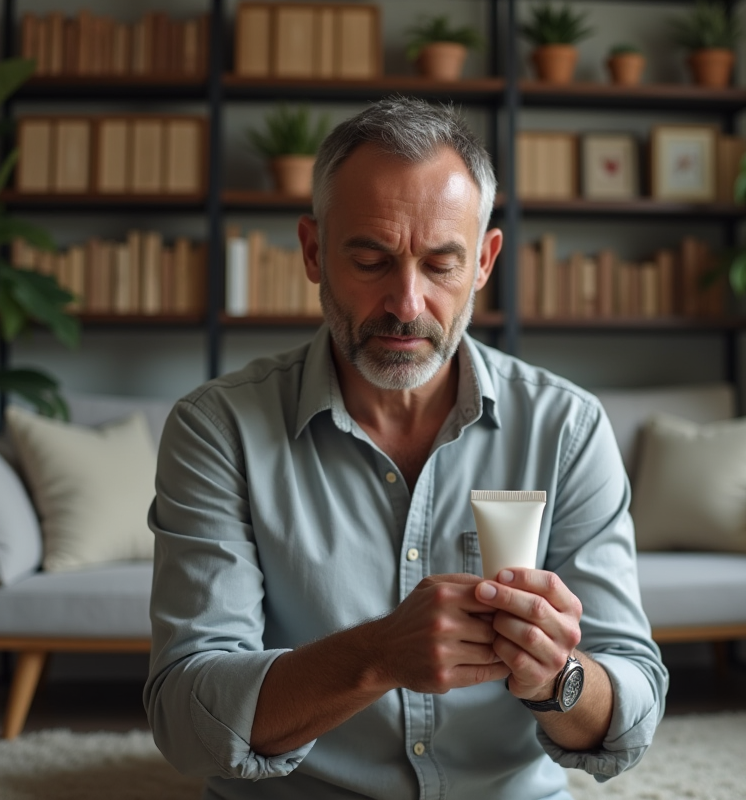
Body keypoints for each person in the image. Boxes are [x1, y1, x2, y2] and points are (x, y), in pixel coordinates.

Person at [144, 97, 667, 800]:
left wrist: (556, 680)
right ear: (312, 250)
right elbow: (186, 716)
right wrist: (377, 655)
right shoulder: (218, 431)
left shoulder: (568, 428)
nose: (406, 303)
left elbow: (631, 709)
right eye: (371, 259)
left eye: (442, 264)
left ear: (484, 261)